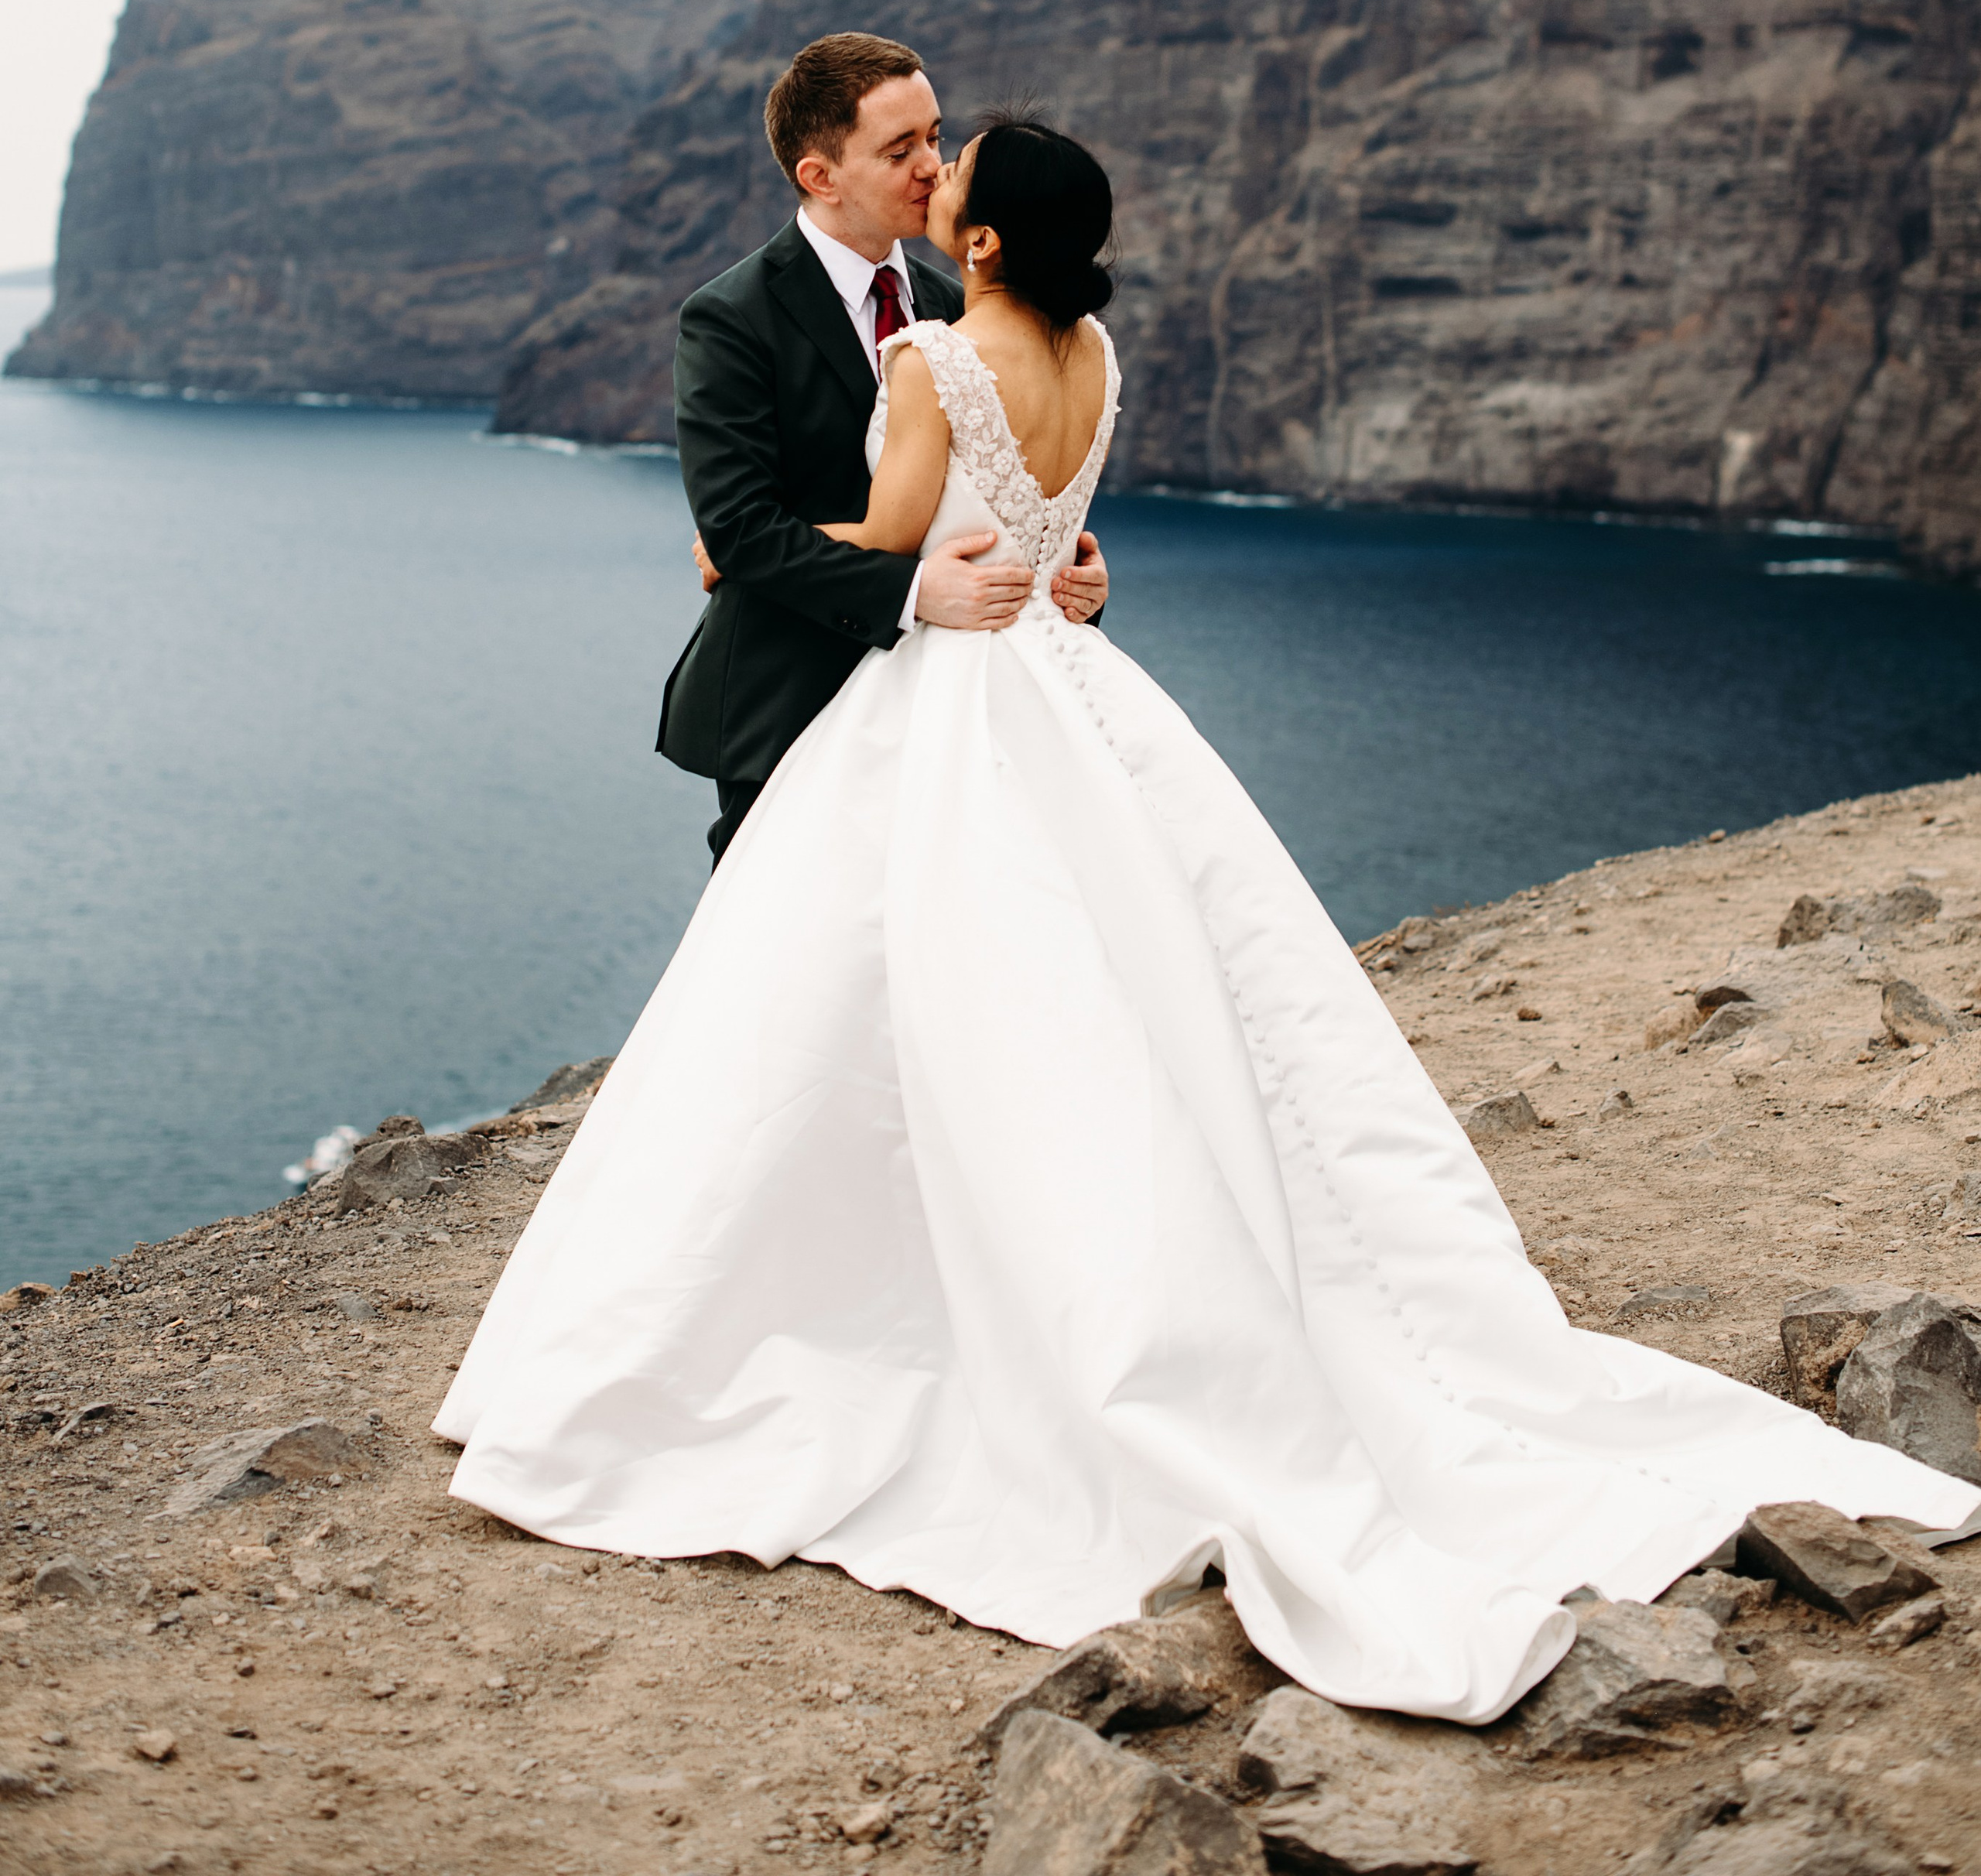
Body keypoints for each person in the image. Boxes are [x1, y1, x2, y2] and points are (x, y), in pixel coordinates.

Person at [437, 111, 1976, 1726]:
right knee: (1119, 995)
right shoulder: (1091, 350)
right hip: (1072, 687)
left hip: (955, 700)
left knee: (893, 1010)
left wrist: (728, 551)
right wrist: (1035, 560)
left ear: (974, 243)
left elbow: (893, 544)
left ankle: (868, 1307)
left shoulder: (931, 368)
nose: (933, 166)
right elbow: (1037, 528)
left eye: (950, 168)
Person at [654, 32, 1107, 864]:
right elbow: (742, 532)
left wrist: (1069, 570)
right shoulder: (730, 318)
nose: (931, 167)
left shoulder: (962, 303)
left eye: (935, 136)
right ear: (819, 177)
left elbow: (1002, 489)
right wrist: (912, 591)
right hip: (789, 699)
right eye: (900, 149)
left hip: (954, 716)